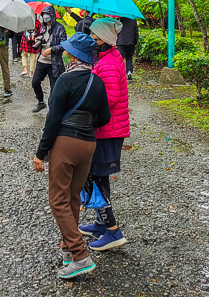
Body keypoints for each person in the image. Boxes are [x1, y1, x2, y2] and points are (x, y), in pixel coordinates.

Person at [32, 33, 110, 280]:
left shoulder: (64, 81)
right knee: (73, 198)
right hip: (88, 144)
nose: (65, 52)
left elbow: (53, 119)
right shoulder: (97, 81)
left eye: (68, 50)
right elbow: (104, 117)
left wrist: (40, 153)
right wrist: (86, 124)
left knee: (57, 200)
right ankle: (67, 248)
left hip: (65, 143)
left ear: (75, 55)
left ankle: (79, 255)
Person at [79, 18, 130, 250]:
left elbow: (110, 99)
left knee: (97, 179)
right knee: (98, 176)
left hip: (107, 131)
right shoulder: (106, 57)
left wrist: (87, 109)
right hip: (107, 129)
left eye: (95, 37)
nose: (92, 40)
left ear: (105, 40)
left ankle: (113, 231)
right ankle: (101, 222)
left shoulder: (108, 63)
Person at [34, 5, 68, 113]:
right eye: (43, 15)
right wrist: (37, 40)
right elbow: (42, 38)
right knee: (35, 82)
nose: (45, 17)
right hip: (42, 60)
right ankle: (40, 102)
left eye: (47, 15)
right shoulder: (43, 27)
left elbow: (64, 45)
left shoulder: (60, 28)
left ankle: (53, 110)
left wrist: (51, 49)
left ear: (52, 15)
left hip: (54, 63)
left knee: (54, 88)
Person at [116, 16, 139, 81]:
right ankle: (129, 71)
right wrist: (135, 41)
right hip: (130, 41)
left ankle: (119, 73)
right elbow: (136, 32)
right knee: (129, 56)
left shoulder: (119, 19)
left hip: (120, 42)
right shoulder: (133, 19)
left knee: (120, 58)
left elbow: (116, 31)